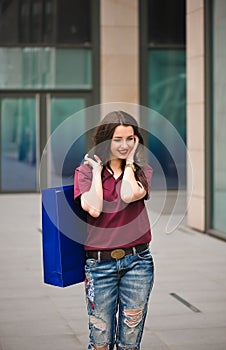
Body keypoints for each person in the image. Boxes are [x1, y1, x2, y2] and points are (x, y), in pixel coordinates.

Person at [74, 110, 154, 350]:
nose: (124, 145)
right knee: (100, 342)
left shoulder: (142, 171)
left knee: (129, 342)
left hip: (137, 262)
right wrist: (98, 174)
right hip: (99, 266)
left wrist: (130, 163)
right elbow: (95, 209)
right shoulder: (85, 172)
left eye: (130, 138)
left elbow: (129, 194)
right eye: (117, 139)